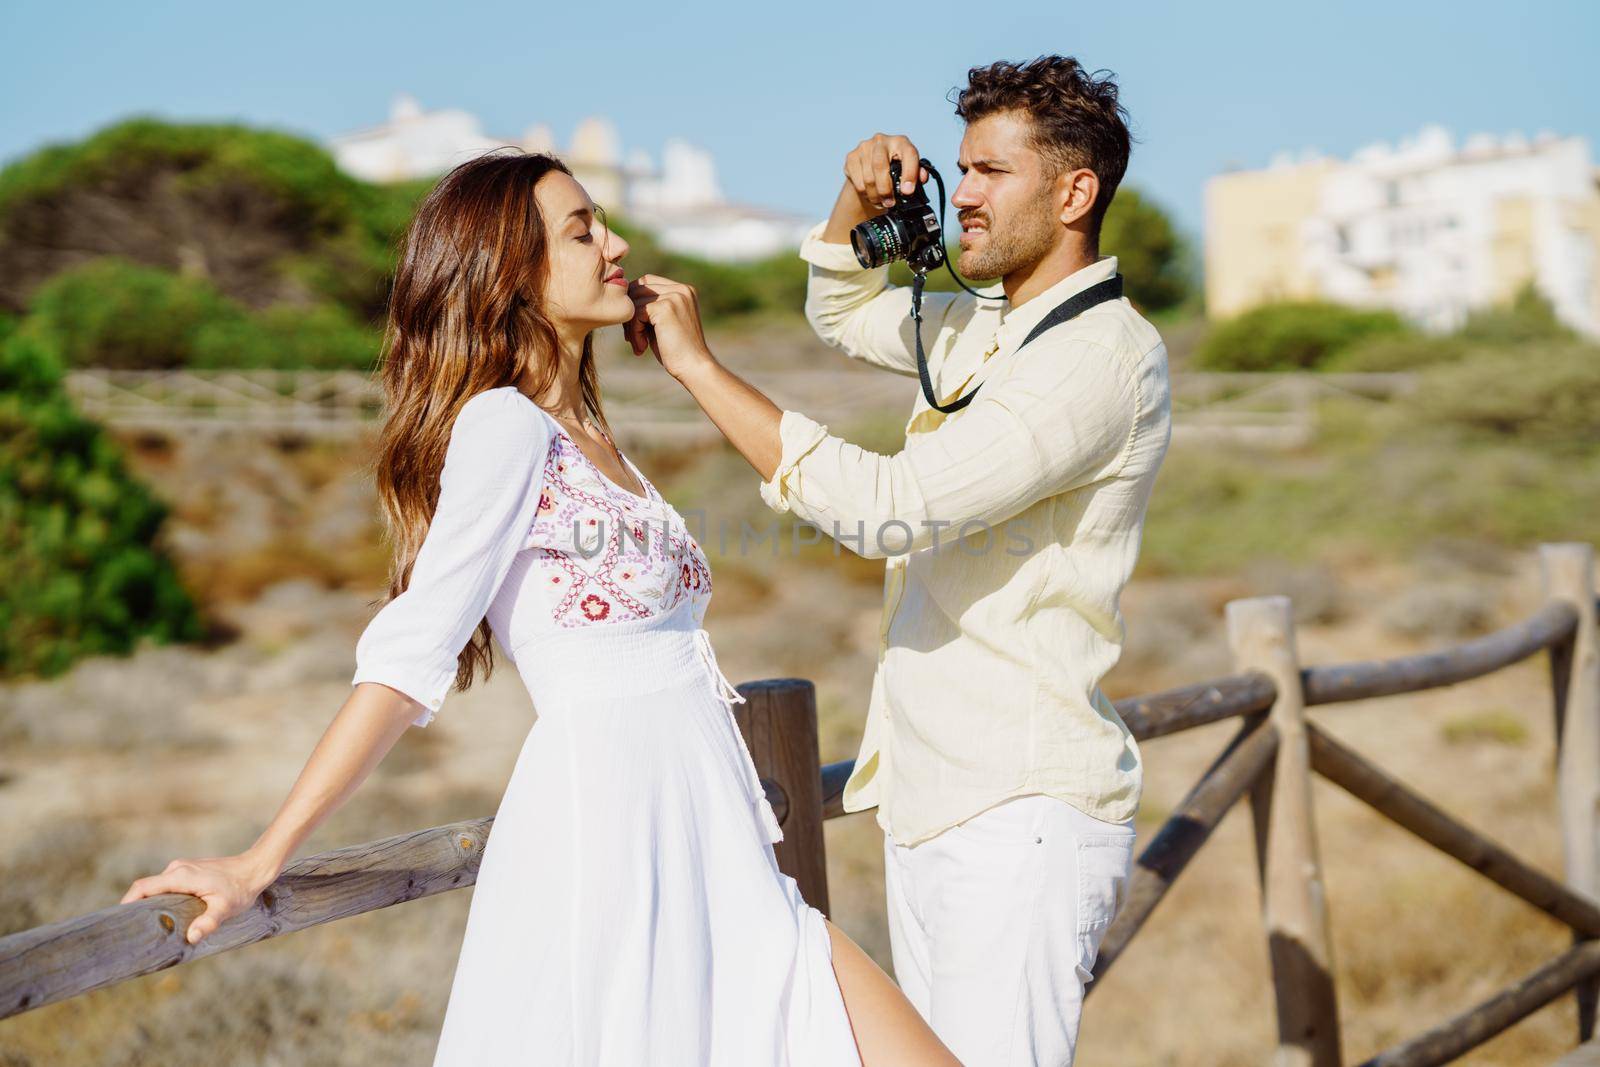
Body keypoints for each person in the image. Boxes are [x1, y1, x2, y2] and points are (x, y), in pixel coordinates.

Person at [119, 150, 961, 1066]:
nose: (618, 244)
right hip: (614, 834)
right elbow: (408, 657)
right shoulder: (504, 426)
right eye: (583, 229)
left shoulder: (592, 437)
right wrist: (258, 860)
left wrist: (694, 365)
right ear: (511, 273)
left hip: (717, 849)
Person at [626, 55, 1172, 1066]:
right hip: (940, 797)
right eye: (958, 168)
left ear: (1074, 192)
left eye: (989, 173)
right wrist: (854, 199)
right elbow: (840, 311)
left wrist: (699, 367)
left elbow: (890, 510)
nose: (958, 192)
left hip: (1016, 812)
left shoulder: (1095, 359)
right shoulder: (992, 324)